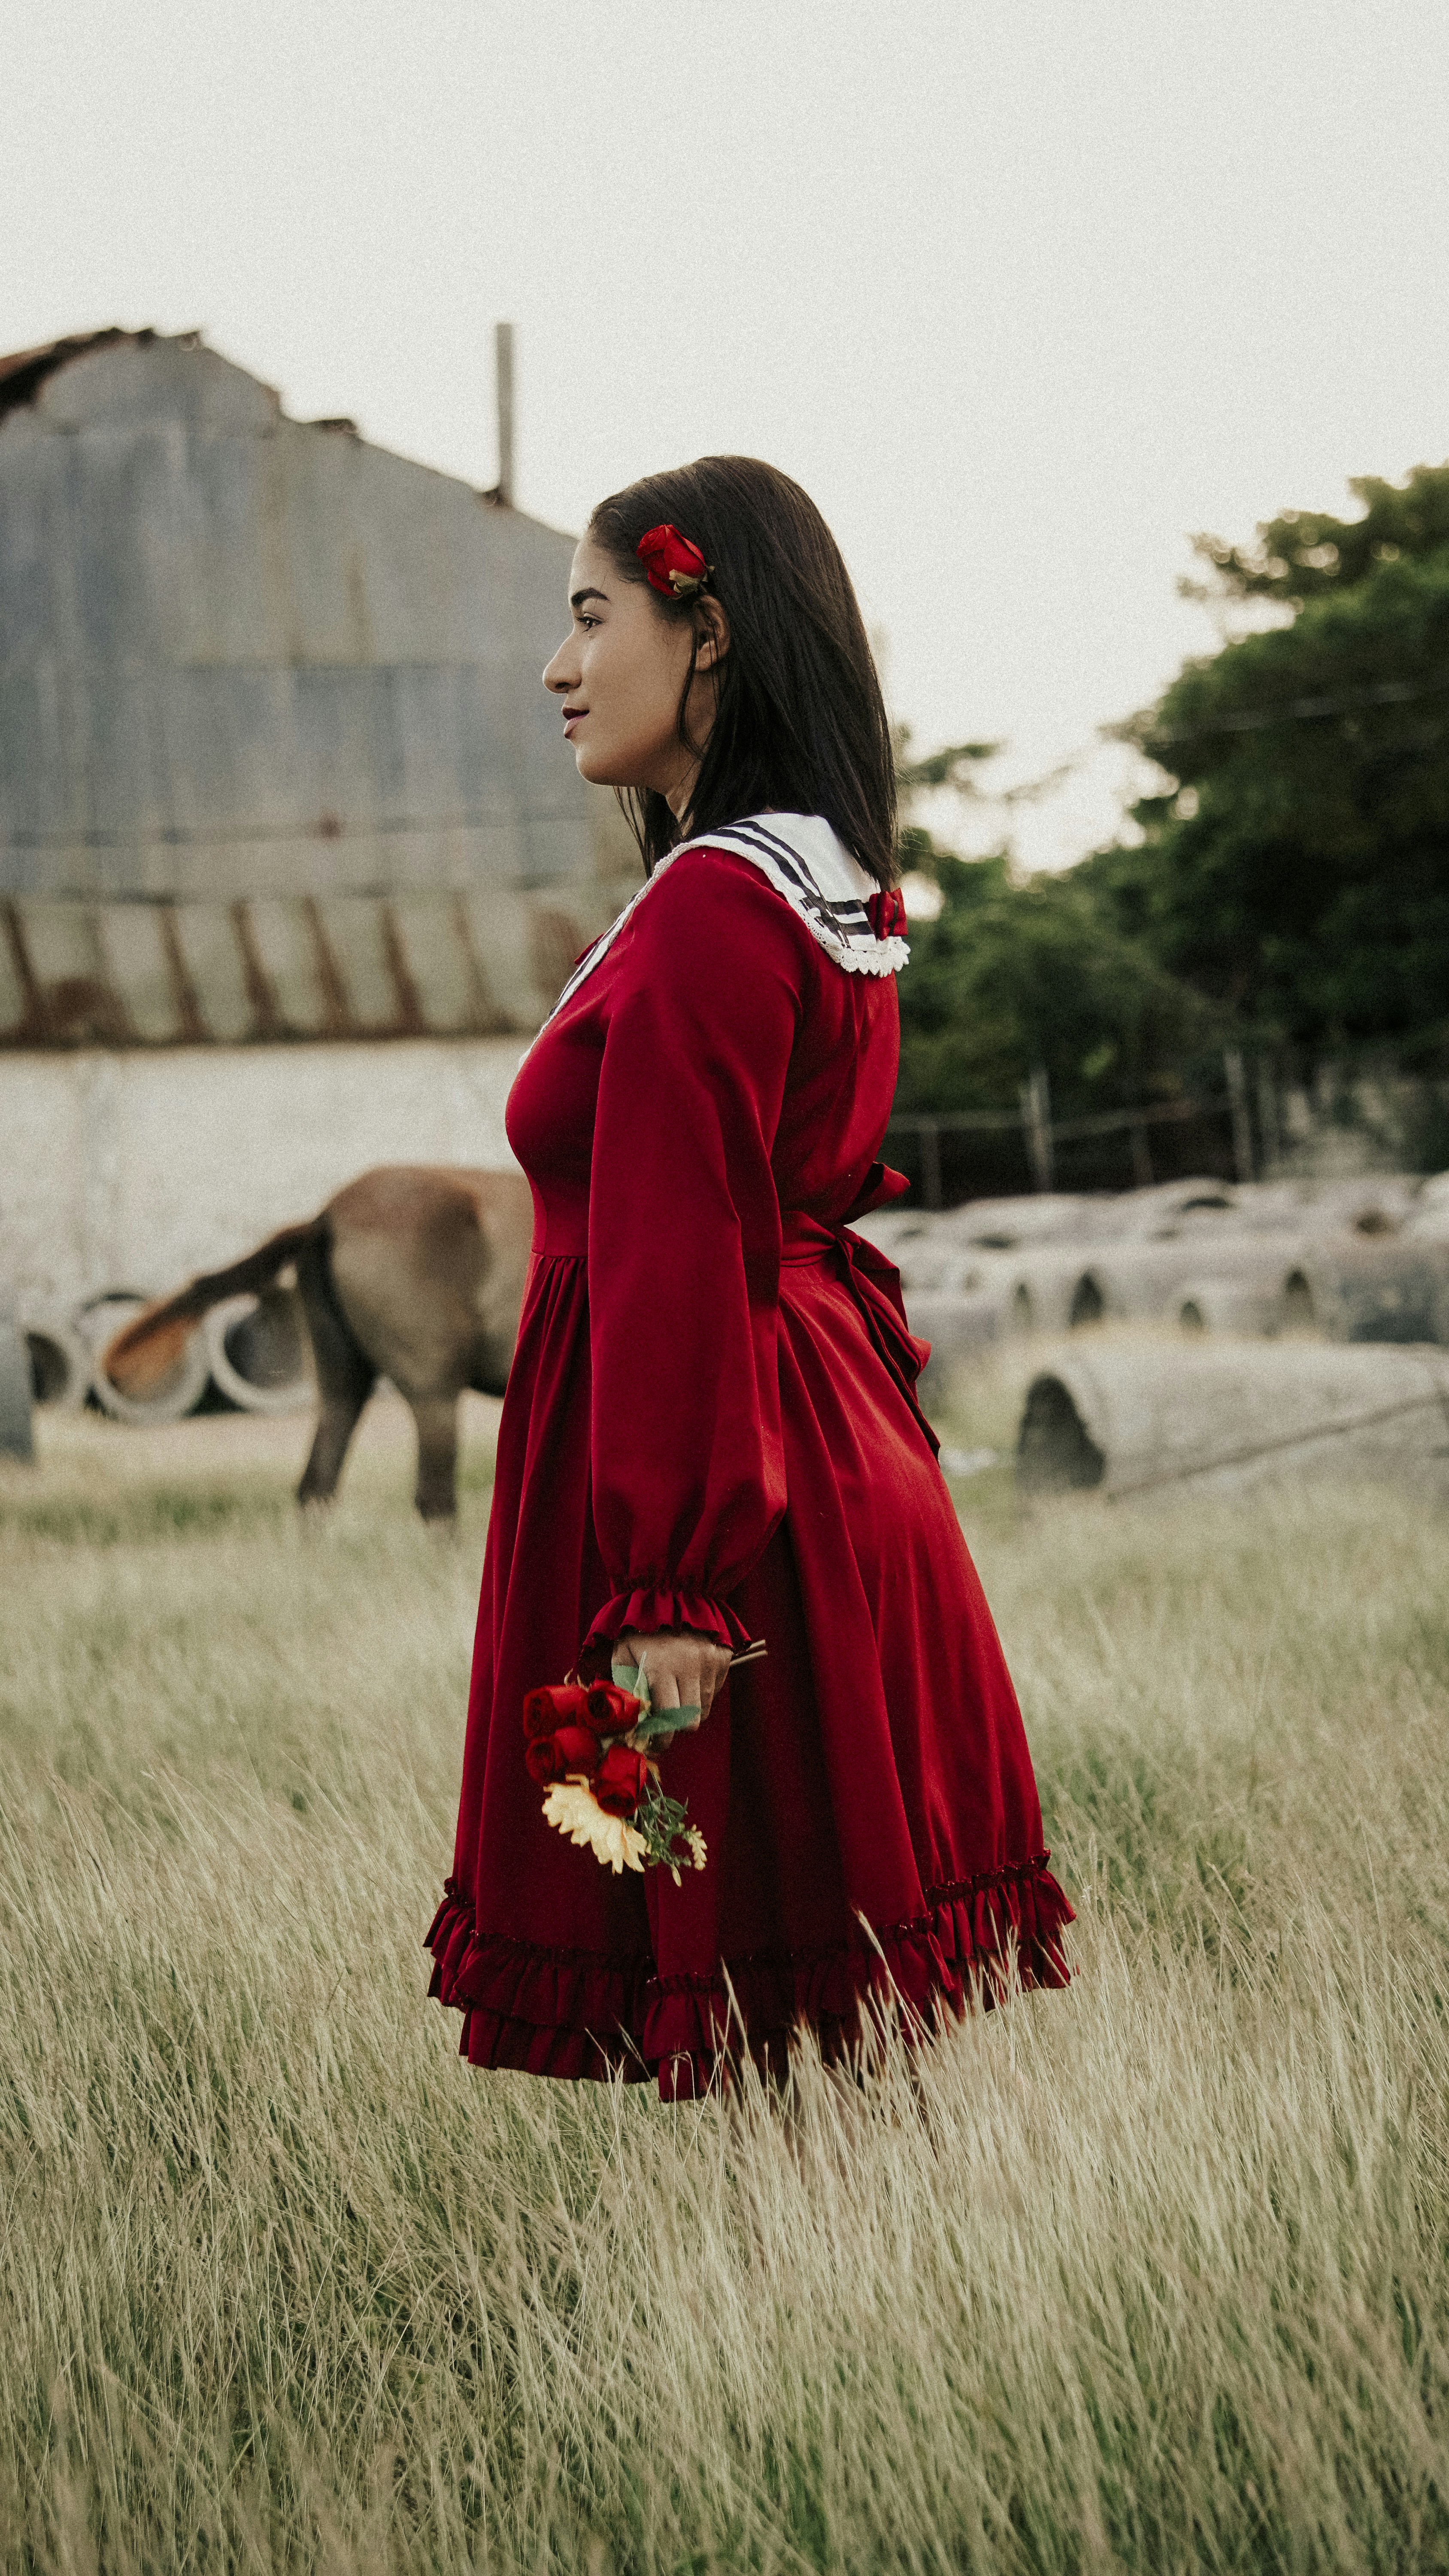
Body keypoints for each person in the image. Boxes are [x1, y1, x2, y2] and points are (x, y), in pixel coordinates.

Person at [426, 457, 1072, 2099]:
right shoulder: (813, 880)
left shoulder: (719, 908)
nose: (559, 668)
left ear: (705, 630)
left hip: (736, 1489)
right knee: (821, 2021)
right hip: (817, 1444)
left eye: (592, 618)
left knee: (776, 2008)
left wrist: (669, 1582)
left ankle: (841, 2276)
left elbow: (678, 1243)